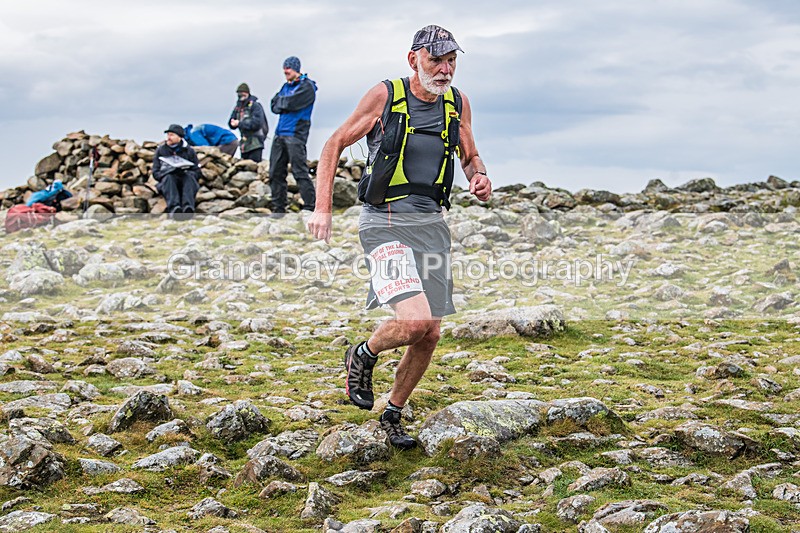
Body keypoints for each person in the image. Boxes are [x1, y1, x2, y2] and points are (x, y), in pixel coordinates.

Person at [307, 25, 491, 449]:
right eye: (436, 60)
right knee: (413, 321)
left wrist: (479, 176)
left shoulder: (458, 102)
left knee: (430, 334)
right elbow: (334, 144)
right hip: (384, 222)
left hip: (432, 225)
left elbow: (469, 155)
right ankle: (364, 354)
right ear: (414, 60)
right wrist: (322, 207)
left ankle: (392, 412)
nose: (445, 70)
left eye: (451, 61)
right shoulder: (385, 96)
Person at [269, 56, 317, 216]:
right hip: (279, 134)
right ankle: (278, 209)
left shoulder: (307, 87)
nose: (285, 72)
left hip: (296, 134)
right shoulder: (285, 86)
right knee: (275, 172)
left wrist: (282, 103)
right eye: (284, 69)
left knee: (299, 171)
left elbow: (290, 103)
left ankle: (311, 206)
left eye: (288, 69)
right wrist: (283, 103)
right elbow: (273, 105)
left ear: (295, 68)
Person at [152, 124, 201, 218]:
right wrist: (167, 171)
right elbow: (155, 172)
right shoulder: (161, 150)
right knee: (169, 178)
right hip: (168, 181)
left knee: (189, 177)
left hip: (185, 179)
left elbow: (197, 172)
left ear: (179, 137)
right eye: (168, 135)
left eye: (171, 135)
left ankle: (188, 209)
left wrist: (186, 171)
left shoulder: (189, 151)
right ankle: (174, 209)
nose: (168, 138)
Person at [228, 83, 268, 162]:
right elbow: (231, 121)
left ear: (247, 93)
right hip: (244, 145)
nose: (240, 96)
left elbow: (257, 123)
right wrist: (232, 123)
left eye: (242, 93)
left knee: (254, 166)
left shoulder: (255, 106)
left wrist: (239, 124)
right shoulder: (238, 108)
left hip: (255, 143)